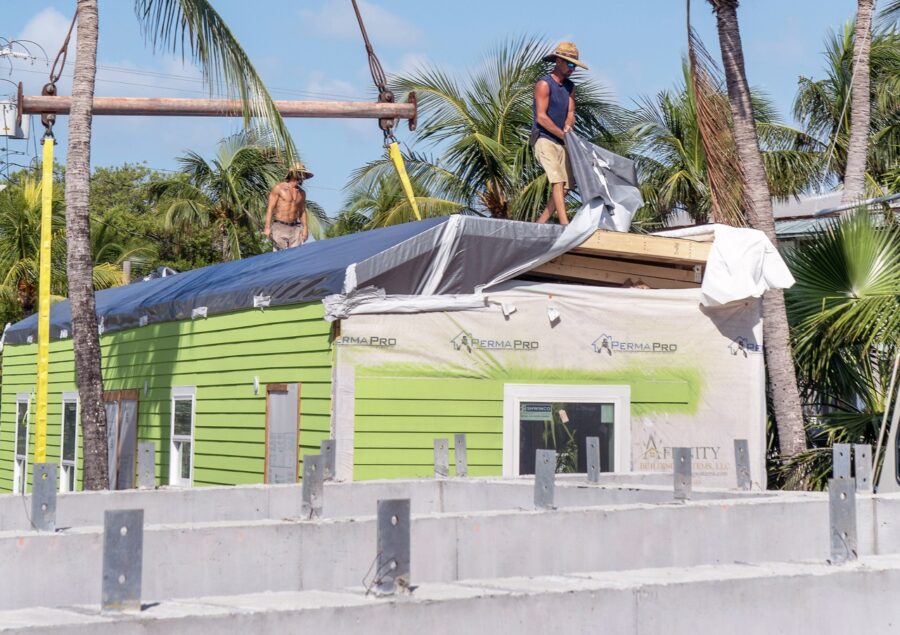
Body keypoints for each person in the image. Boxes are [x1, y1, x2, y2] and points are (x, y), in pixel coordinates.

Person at [531, 42, 589, 225]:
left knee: (566, 186)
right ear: (558, 61)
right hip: (544, 139)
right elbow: (541, 117)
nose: (572, 69)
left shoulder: (570, 87)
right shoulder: (544, 84)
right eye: (570, 64)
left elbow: (571, 113)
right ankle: (565, 224)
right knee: (557, 180)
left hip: (562, 141)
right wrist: (562, 135)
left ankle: (541, 223)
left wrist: (568, 125)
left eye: (574, 66)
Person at [264, 162, 312, 250]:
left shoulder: (301, 193)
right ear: (293, 174)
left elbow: (302, 212)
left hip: (295, 229)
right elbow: (270, 208)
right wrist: (267, 227)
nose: (302, 176)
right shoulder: (279, 188)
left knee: (295, 258)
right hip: (279, 227)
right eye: (300, 174)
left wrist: (305, 228)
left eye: (303, 174)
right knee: (280, 257)